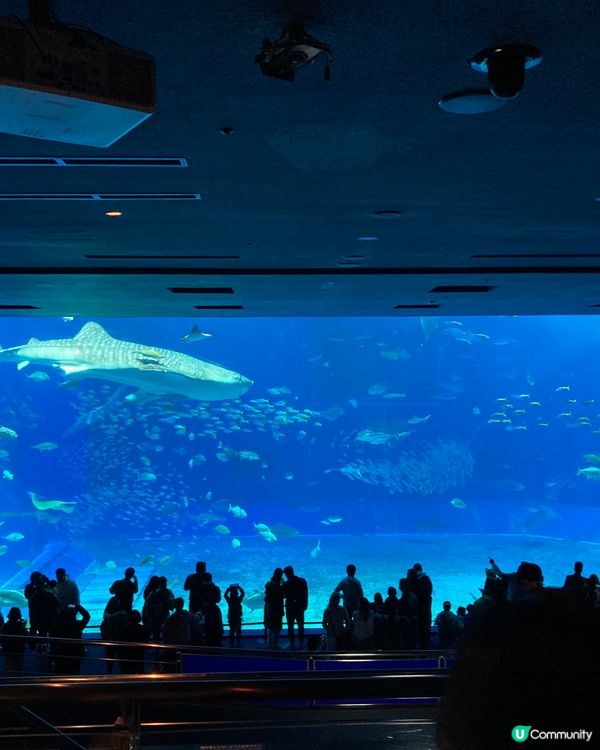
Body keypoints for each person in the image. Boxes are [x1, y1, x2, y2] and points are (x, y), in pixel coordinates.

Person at [50, 603, 91, 674]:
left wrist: (65, 608)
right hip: (75, 652)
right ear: (74, 616)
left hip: (60, 652)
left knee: (60, 670)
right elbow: (87, 616)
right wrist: (78, 606)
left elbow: (56, 618)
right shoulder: (77, 625)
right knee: (75, 670)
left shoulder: (57, 626)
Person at [282, 565, 308, 649]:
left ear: (286, 574)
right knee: (301, 625)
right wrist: (305, 605)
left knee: (290, 626)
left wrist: (282, 585)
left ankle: (291, 643)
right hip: (300, 606)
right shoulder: (302, 581)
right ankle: (301, 642)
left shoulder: (286, 584)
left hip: (290, 607)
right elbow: (305, 594)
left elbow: (283, 595)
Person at [1, 607, 28, 675]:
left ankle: (8, 680)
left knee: (8, 666)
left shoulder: (5, 625)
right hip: (18, 650)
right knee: (18, 667)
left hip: (8, 650)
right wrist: (23, 625)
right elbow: (26, 635)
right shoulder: (20, 626)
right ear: (19, 615)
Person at [411, 563, 433, 648]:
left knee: (419, 628)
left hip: (419, 609)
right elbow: (430, 590)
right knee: (425, 627)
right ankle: (426, 644)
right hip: (426, 608)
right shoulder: (427, 578)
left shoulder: (415, 581)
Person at [264, 568, 285, 649]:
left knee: (270, 626)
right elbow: (283, 595)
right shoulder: (277, 586)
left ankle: (269, 643)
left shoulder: (269, 584)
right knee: (276, 627)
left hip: (269, 608)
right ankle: (275, 644)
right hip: (276, 608)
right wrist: (283, 585)